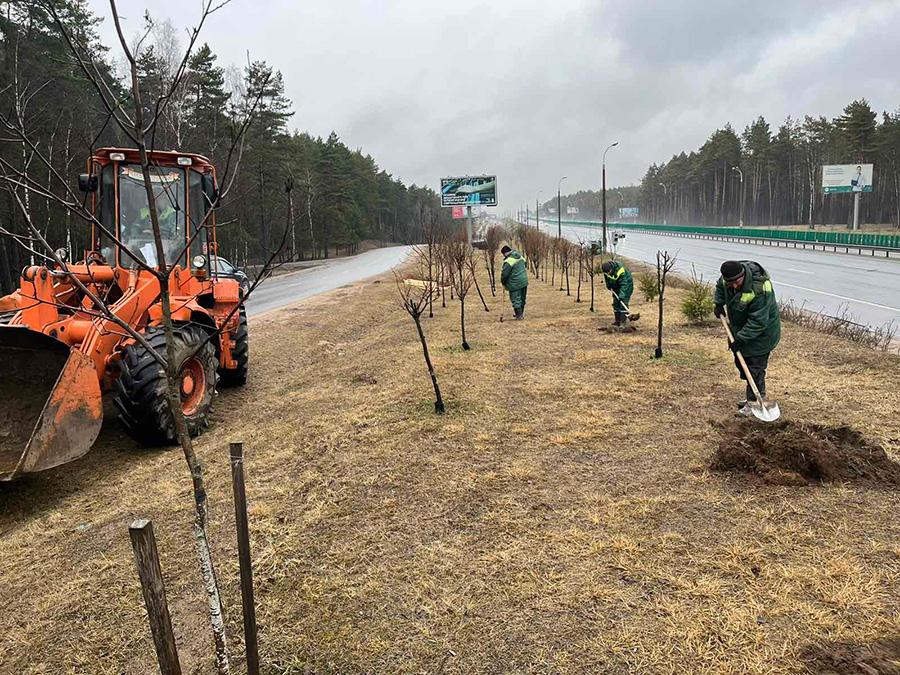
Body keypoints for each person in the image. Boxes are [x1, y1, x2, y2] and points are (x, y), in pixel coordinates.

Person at [714, 260, 781, 416]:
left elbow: (758, 322)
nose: (734, 286)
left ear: (743, 275)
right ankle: (752, 394)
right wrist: (718, 303)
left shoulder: (760, 288)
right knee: (741, 363)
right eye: (730, 283)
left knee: (755, 368)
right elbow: (720, 286)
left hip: (763, 333)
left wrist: (740, 339)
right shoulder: (727, 279)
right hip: (740, 329)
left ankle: (755, 401)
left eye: (737, 282)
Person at [601, 259, 633, 326]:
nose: (607, 274)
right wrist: (609, 285)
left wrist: (622, 294)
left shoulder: (620, 270)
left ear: (611, 269)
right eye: (606, 273)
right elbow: (607, 279)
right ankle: (617, 321)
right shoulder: (606, 271)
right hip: (616, 286)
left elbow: (624, 284)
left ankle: (623, 322)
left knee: (623, 302)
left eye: (608, 272)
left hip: (627, 286)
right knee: (616, 303)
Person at [500, 244, 528, 320]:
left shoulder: (509, 261)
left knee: (516, 299)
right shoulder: (520, 256)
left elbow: (505, 274)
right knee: (522, 298)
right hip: (524, 281)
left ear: (505, 253)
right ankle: (520, 313)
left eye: (503, 254)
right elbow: (525, 264)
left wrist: (503, 282)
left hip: (515, 283)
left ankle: (519, 316)